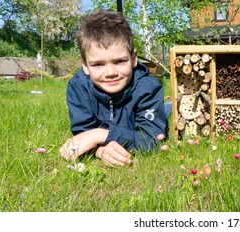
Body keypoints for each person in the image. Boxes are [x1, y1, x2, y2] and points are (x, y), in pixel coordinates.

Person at [60, 9, 168, 167]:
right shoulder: (78, 87)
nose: (110, 73)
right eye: (98, 64)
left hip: (153, 109)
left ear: (133, 59)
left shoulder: (148, 88)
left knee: (168, 111)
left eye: (119, 62)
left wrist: (101, 135)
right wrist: (100, 151)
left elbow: (152, 140)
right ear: (85, 65)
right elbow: (83, 134)